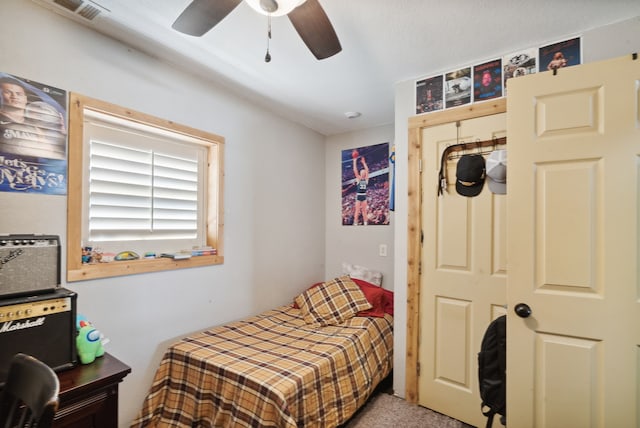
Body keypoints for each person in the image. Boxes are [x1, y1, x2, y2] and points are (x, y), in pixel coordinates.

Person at [0, 78, 66, 160]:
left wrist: (62, 134)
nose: (14, 96)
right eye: (8, 92)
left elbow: (51, 153)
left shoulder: (35, 127)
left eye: (19, 93)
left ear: (25, 98)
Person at [353, 155, 369, 225]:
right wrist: (354, 161)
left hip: (364, 196)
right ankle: (355, 222)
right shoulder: (358, 179)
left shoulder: (366, 179)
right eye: (362, 172)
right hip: (359, 195)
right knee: (357, 210)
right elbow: (355, 170)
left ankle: (365, 223)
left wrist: (364, 163)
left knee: (364, 211)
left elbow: (367, 170)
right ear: (360, 173)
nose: (363, 173)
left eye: (364, 172)